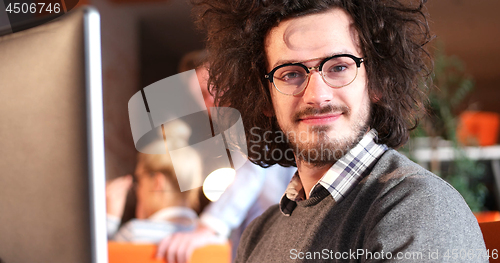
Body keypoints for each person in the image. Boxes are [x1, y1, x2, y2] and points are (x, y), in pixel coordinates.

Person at [178, 0, 488, 262]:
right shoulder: (260, 233)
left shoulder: (417, 207)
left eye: (339, 66)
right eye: (291, 74)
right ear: (265, 97)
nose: (317, 95)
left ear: (377, 82)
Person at [156, 50, 295, 263]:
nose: (213, 99)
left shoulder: (267, 114)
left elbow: (252, 173)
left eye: (215, 85)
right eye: (203, 96)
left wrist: (208, 228)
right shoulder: (240, 136)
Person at [106, 120, 202, 243]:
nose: (137, 191)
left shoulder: (135, 234)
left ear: (157, 182)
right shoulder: (210, 238)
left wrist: (109, 221)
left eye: (139, 181)